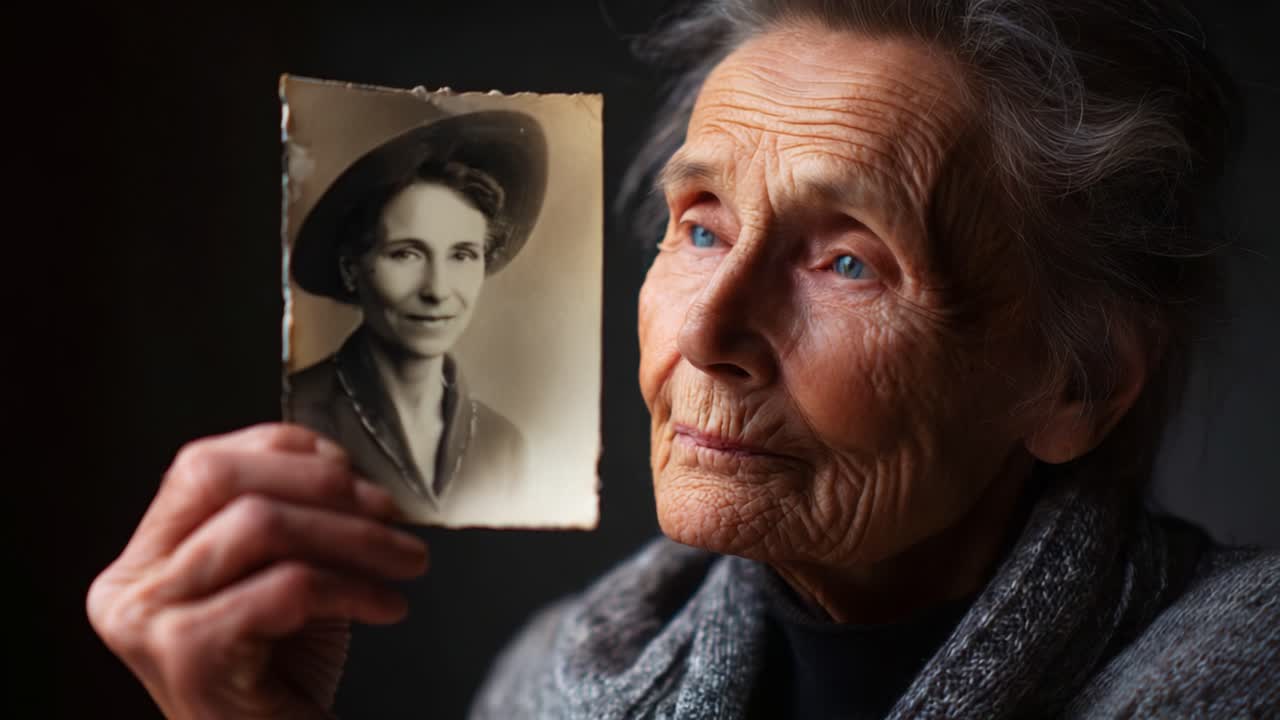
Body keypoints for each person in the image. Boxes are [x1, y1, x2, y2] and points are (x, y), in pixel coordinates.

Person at [87, 1, 1278, 718]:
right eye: (700, 229)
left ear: (1074, 383)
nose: (705, 335)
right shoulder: (550, 682)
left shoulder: (1242, 675)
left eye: (846, 262)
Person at [286, 110, 547, 523]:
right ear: (352, 269)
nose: (437, 290)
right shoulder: (293, 418)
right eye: (406, 254)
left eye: (462, 255)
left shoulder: (503, 446)